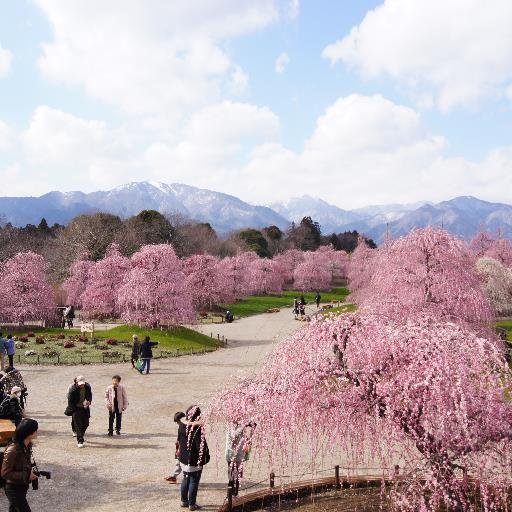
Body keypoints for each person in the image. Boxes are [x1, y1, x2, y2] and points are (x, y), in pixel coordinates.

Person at [1, 418, 39, 512]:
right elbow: (5, 473)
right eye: (35, 430)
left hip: (22, 486)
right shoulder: (12, 450)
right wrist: (27, 475)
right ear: (29, 433)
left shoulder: (27, 445)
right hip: (13, 488)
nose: (37, 432)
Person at [178, 406, 210, 511]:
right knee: (193, 481)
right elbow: (200, 446)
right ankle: (192, 504)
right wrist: (204, 458)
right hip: (194, 460)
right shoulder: (197, 429)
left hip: (183, 458)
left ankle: (184, 501)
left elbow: (179, 440)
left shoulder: (182, 426)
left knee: (186, 478)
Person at [225, 422, 255, 496]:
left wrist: (251, 430)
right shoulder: (231, 426)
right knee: (231, 474)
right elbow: (234, 436)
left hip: (239, 454)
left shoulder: (240, 426)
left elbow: (245, 438)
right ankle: (231, 493)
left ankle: (235, 493)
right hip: (231, 453)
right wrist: (243, 426)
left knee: (238, 474)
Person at [67, 376, 92, 448]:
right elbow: (70, 401)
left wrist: (89, 401)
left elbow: (90, 395)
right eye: (80, 384)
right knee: (78, 425)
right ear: (77, 382)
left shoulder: (87, 387)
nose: (82, 385)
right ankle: (80, 440)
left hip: (85, 407)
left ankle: (81, 434)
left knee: (86, 423)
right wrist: (73, 410)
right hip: (76, 408)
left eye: (83, 384)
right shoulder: (73, 390)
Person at [165, 411, 185, 483]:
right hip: (180, 447)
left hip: (184, 449)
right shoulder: (181, 426)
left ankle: (174, 476)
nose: (177, 423)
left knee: (181, 463)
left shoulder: (186, 428)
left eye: (178, 421)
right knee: (179, 462)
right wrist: (178, 442)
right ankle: (174, 476)